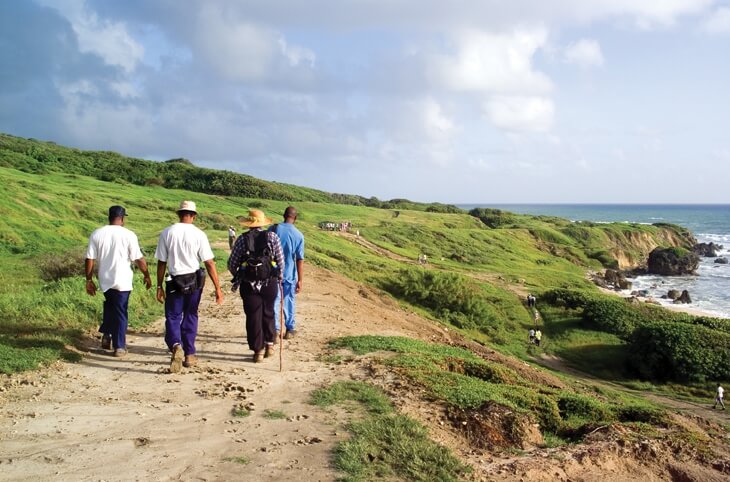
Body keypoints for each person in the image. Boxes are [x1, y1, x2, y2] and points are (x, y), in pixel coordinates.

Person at [155, 200, 223, 373]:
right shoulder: (199, 234)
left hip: (174, 281)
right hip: (194, 282)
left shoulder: (167, 232)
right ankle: (190, 354)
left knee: (173, 316)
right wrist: (217, 288)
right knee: (191, 315)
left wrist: (158, 286)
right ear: (193, 216)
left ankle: (176, 345)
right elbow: (209, 263)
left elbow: (161, 262)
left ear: (179, 214)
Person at [85, 206, 152, 357]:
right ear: (122, 219)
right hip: (122, 280)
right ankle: (119, 346)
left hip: (105, 279)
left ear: (109, 217)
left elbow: (90, 258)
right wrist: (146, 274)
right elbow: (138, 258)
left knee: (111, 305)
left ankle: (107, 335)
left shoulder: (97, 233)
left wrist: (89, 279)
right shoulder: (129, 235)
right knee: (121, 311)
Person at [229, 209, 284, 362]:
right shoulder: (272, 237)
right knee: (268, 312)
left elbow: (232, 263)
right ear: (263, 222)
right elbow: (280, 262)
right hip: (269, 283)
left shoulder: (241, 239)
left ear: (249, 223)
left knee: (253, 316)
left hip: (248, 284)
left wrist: (240, 275)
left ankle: (257, 351)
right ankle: (270, 345)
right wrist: (278, 276)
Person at [271, 207, 305, 340]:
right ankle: (290, 330)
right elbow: (300, 259)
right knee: (289, 301)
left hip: (273, 274)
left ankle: (275, 329)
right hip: (290, 275)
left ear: (284, 215)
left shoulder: (273, 230)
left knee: (274, 301)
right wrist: (300, 280)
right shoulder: (299, 235)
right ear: (295, 218)